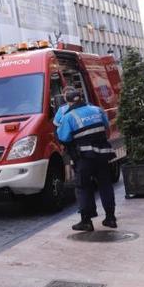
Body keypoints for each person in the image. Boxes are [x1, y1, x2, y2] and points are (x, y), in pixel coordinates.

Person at [57, 86, 116, 232]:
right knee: (105, 185)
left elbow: (63, 137)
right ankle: (110, 218)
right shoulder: (98, 110)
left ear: (67, 101)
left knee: (83, 187)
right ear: (81, 98)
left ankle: (86, 221)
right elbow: (106, 127)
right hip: (103, 154)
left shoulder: (69, 116)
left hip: (84, 158)